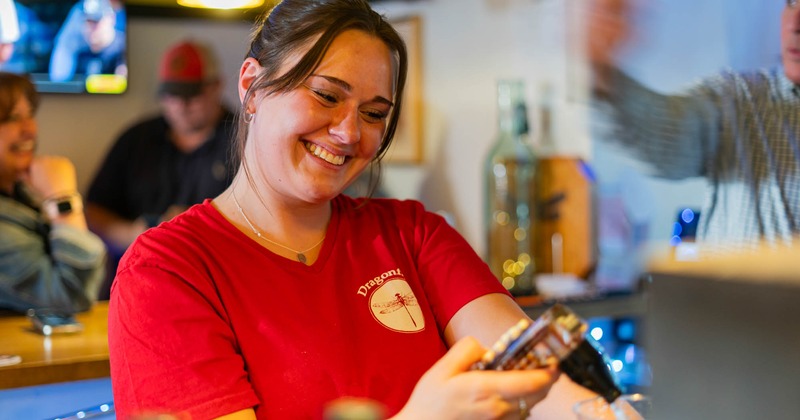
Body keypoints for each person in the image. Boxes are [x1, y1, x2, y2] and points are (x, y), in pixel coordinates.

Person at [107, 0, 598, 418]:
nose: (348, 132)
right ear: (252, 86)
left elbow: (546, 384)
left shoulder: (411, 233)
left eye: (374, 113)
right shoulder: (166, 271)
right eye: (326, 95)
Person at [587, 0, 800, 251]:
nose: (794, 24)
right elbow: (667, 139)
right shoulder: (739, 100)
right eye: (791, 3)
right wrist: (602, 73)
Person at [85, 39, 236, 299]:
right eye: (172, 94)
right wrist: (132, 234)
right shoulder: (136, 138)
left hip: (215, 287)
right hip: (136, 284)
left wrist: (194, 228)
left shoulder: (245, 140)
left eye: (191, 94)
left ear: (216, 87)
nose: (180, 105)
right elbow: (93, 210)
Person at [0, 72, 105, 314]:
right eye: (13, 118)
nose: (30, 130)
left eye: (30, 116)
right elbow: (71, 297)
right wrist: (63, 199)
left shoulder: (22, 195)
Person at [48, 0, 126, 83]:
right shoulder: (73, 43)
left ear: (111, 19)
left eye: (96, 21)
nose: (91, 28)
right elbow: (59, 81)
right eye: (88, 21)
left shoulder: (123, 46)